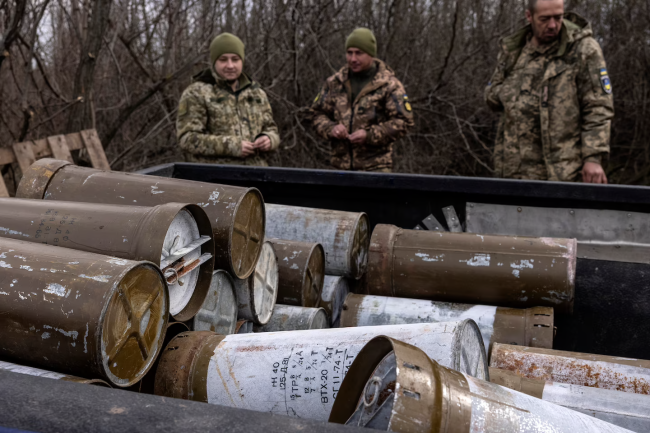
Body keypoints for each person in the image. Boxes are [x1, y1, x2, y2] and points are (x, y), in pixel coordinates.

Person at [485, 0, 614, 183]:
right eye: (544, 19)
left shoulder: (583, 50)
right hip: (513, 174)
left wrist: (593, 158)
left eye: (558, 17)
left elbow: (598, 107)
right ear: (529, 16)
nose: (553, 25)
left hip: (562, 174)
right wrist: (510, 93)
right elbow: (492, 96)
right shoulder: (513, 50)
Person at [310, 28, 414, 173]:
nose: (353, 59)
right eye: (349, 53)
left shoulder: (389, 85)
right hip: (339, 168)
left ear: (370, 54)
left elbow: (403, 121)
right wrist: (331, 128)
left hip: (376, 168)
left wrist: (369, 135)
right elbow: (316, 114)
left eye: (359, 53)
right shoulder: (334, 83)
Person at [176, 33, 280, 166]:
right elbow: (187, 139)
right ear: (214, 62)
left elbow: (271, 129)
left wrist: (269, 139)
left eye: (235, 59)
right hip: (216, 177)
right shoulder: (197, 93)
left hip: (257, 174)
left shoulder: (256, 93)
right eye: (223, 60)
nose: (230, 65)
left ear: (242, 61)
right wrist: (232, 146)